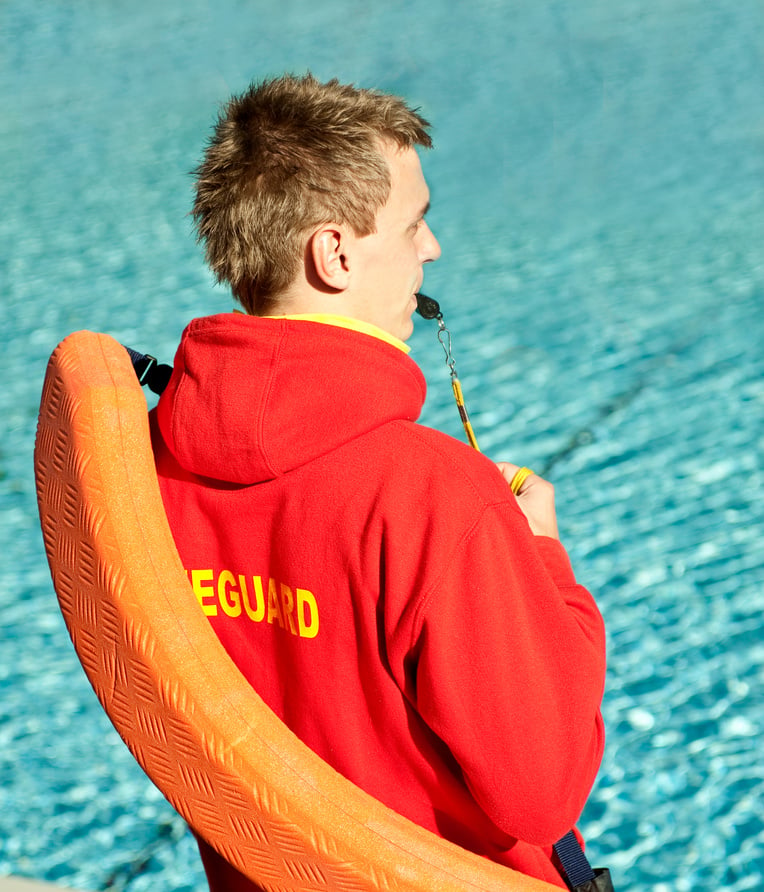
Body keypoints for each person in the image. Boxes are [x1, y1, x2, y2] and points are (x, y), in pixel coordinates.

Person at [150, 73, 607, 890]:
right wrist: (539, 554)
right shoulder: (433, 495)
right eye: (414, 222)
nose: (431, 249)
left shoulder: (153, 469)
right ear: (336, 251)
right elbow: (542, 796)